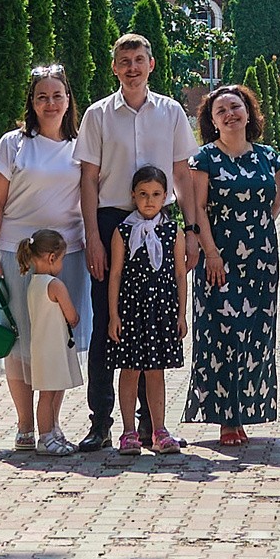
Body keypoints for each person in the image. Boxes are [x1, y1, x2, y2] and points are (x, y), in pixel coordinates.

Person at [73, 34, 201, 451]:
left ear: (151, 65)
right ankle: (101, 421)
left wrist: (193, 230)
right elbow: (88, 179)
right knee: (110, 325)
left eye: (138, 60)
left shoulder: (171, 111)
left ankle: (151, 425)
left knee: (154, 325)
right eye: (124, 61)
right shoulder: (97, 115)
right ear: (114, 68)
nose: (131, 68)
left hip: (160, 221)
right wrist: (93, 235)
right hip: (112, 223)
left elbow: (182, 174)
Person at [0, 66, 87, 452]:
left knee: (57, 341)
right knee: (19, 342)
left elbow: (90, 199)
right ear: (32, 102)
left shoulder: (83, 145)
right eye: (42, 96)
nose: (50, 103)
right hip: (16, 255)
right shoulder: (12, 144)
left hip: (66, 257)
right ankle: (26, 427)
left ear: (68, 99)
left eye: (57, 95)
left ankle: (51, 427)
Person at [181, 83, 280, 444]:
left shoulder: (269, 156)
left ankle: (246, 412)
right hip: (218, 259)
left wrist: (254, 237)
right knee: (222, 334)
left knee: (255, 334)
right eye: (220, 110)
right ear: (212, 121)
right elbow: (198, 211)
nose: (230, 114)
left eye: (235, 107)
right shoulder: (204, 159)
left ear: (248, 112)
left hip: (261, 259)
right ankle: (227, 418)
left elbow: (275, 205)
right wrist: (211, 254)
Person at [105, 166, 187, 455]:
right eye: (143, 194)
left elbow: (179, 274)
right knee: (129, 370)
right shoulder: (124, 231)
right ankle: (128, 432)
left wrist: (181, 314)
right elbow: (115, 273)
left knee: (156, 371)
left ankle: (159, 430)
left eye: (155, 194)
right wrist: (114, 315)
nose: (149, 200)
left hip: (161, 311)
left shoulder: (172, 231)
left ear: (166, 196)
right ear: (133, 196)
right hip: (131, 310)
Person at [15, 229, 83, 455]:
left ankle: (52, 433)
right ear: (51, 258)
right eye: (62, 259)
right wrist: (74, 318)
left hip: (42, 348)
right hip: (53, 349)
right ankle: (45, 437)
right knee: (48, 396)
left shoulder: (33, 283)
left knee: (49, 393)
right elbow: (71, 315)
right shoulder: (55, 285)